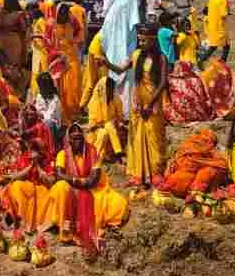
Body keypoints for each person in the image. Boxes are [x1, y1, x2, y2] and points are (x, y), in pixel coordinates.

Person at [44, 124, 128, 255]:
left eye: (79, 137)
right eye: (74, 138)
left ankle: (90, 230)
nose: (77, 140)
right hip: (71, 187)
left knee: (118, 203)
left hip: (92, 188)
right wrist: (75, 181)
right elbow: (59, 174)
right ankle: (65, 229)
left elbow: (94, 177)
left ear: (83, 138)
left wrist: (84, 184)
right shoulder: (63, 154)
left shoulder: (91, 152)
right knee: (60, 188)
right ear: (68, 140)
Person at [114, 28, 168, 186]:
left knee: (154, 138)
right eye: (139, 40)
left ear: (153, 40)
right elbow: (120, 69)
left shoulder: (161, 58)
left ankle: (156, 172)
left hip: (153, 103)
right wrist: (106, 63)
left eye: (144, 40)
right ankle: (138, 173)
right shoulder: (136, 55)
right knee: (136, 137)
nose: (141, 43)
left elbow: (163, 82)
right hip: (138, 103)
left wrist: (150, 104)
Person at [161, 127, 230, 197]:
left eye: (211, 142)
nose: (210, 144)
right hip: (184, 183)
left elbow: (222, 164)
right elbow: (186, 164)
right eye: (207, 140)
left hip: (177, 182)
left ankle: (196, 194)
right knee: (209, 171)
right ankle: (196, 194)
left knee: (209, 171)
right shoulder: (190, 146)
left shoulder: (208, 151)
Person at [85, 76, 124, 161]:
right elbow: (93, 126)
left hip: (113, 129)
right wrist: (107, 124)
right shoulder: (94, 102)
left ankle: (115, 152)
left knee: (109, 127)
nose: (110, 92)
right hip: (96, 132)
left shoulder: (116, 99)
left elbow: (120, 117)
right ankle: (96, 156)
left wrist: (118, 123)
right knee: (104, 133)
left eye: (112, 89)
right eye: (108, 90)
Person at [199, 0, 231, 65]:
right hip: (220, 27)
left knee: (215, 46)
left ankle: (202, 60)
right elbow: (224, 14)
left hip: (212, 26)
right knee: (224, 46)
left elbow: (205, 11)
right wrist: (227, 10)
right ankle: (202, 60)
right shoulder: (223, 0)